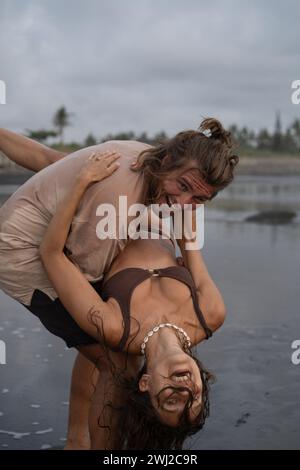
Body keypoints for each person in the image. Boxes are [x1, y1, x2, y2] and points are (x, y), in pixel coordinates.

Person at [0, 118, 238, 448]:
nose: (185, 205)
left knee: (111, 338)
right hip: (21, 252)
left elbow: (53, 161)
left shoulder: (144, 157)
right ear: (169, 161)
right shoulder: (116, 197)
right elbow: (67, 264)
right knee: (115, 360)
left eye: (198, 199)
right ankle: (82, 443)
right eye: (183, 187)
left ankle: (80, 440)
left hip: (61, 234)